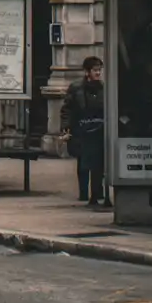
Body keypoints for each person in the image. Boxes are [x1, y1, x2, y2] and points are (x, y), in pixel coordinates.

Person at [63, 55, 108, 207]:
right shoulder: (76, 88)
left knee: (97, 163)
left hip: (98, 128)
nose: (98, 73)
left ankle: (96, 192)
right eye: (95, 70)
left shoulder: (103, 88)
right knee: (83, 161)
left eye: (99, 70)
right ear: (87, 71)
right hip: (81, 128)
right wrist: (66, 127)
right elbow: (67, 109)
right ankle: (83, 192)